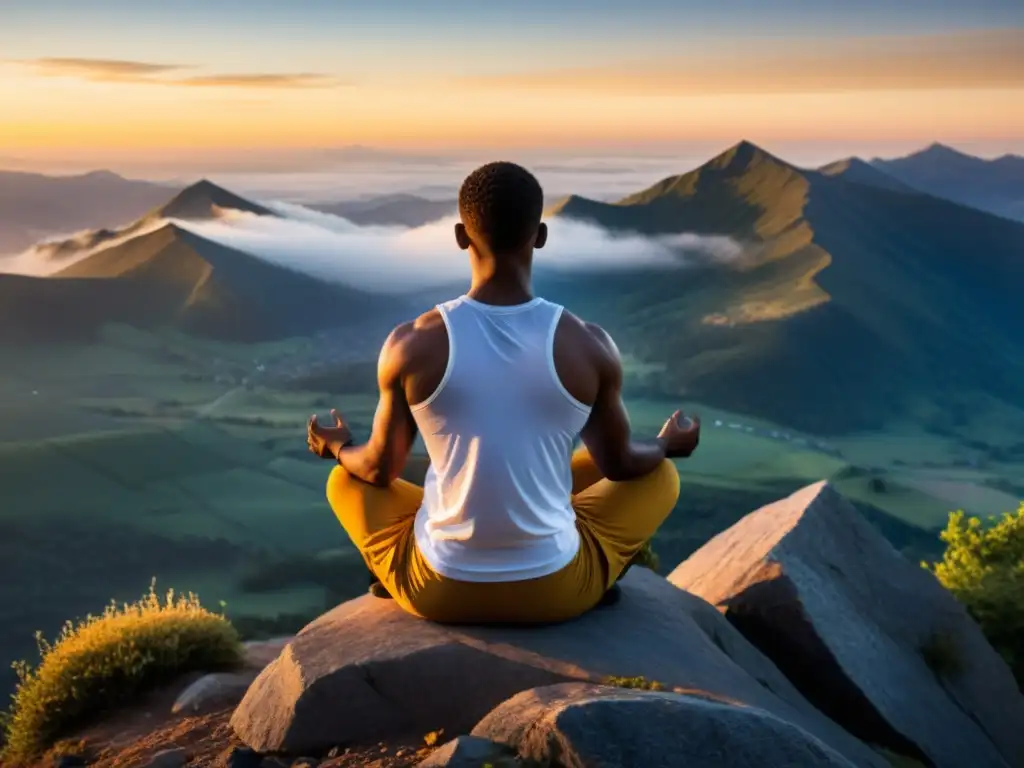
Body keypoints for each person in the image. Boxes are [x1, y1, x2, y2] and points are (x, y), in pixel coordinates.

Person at [307, 161, 700, 625]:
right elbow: (621, 464)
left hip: (437, 591)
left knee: (343, 479)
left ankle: (398, 574)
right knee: (660, 475)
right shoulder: (588, 344)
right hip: (556, 592)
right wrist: (666, 445)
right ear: (540, 236)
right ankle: (587, 571)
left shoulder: (409, 343)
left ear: (459, 236)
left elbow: (377, 467)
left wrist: (336, 446)